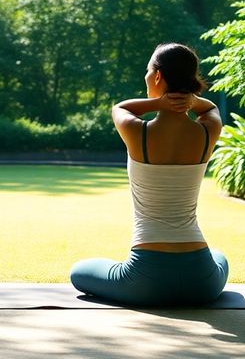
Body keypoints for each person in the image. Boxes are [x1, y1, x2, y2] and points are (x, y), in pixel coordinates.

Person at [69, 43, 229, 307]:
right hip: (202, 282)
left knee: (79, 271)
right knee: (220, 256)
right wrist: (190, 99)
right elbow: (210, 108)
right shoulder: (207, 132)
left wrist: (158, 102)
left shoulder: (137, 132)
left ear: (157, 76)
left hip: (145, 282)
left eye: (148, 71)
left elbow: (119, 108)